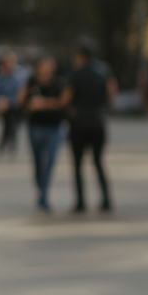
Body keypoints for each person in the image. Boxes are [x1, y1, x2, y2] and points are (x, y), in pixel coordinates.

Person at [65, 44, 115, 213]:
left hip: (79, 122)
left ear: (81, 56)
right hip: (97, 120)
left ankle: (80, 201)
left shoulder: (76, 73)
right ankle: (106, 199)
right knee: (98, 161)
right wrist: (104, 107)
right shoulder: (103, 71)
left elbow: (67, 97)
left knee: (78, 164)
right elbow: (111, 90)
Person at [17, 56, 66, 212]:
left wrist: (42, 103)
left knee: (49, 162)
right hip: (35, 127)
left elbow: (62, 102)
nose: (45, 72)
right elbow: (21, 102)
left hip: (54, 127)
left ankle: (44, 195)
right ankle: (40, 190)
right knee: (38, 162)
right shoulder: (31, 82)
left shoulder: (59, 83)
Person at [0, 52, 27, 156]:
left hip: (16, 107)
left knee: (11, 125)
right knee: (8, 126)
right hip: (4, 107)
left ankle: (7, 146)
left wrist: (8, 102)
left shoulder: (20, 76)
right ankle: (7, 146)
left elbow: (21, 95)